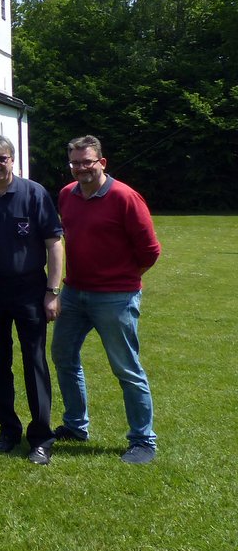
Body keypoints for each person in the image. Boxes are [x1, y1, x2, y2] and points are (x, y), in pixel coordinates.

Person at [51, 135, 162, 464]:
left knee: (126, 368)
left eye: (88, 162)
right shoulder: (67, 196)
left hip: (115, 297)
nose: (81, 168)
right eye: (75, 163)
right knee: (63, 357)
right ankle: (75, 426)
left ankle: (143, 440)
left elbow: (150, 251)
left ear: (102, 162)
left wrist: (124, 280)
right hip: (74, 293)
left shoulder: (125, 197)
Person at [0, 136, 63, 465]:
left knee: (34, 361)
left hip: (29, 289)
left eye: (1, 159)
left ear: (12, 160)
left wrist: (52, 291)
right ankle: (8, 430)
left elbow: (54, 243)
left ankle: (41, 438)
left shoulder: (34, 193)